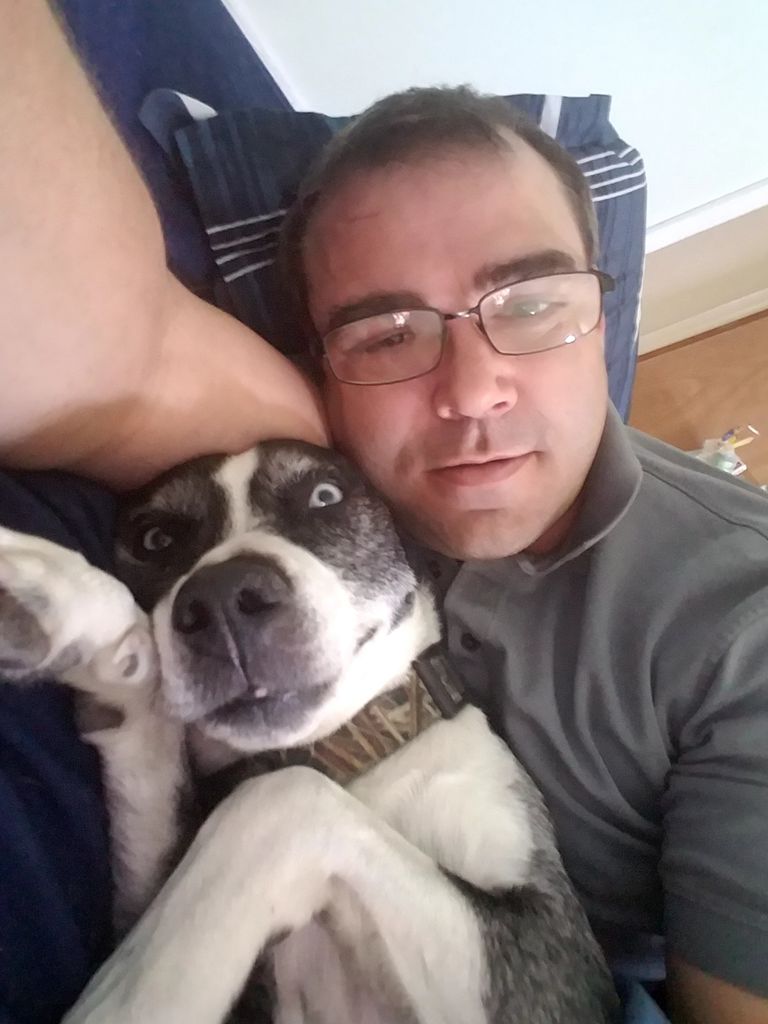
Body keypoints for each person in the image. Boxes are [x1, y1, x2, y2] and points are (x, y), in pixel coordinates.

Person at [1, 5, 767, 1024]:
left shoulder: (747, 623)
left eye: (531, 302)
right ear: (322, 365)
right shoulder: (315, 448)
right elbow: (98, 341)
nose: (473, 391)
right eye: (388, 334)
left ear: (603, 317)